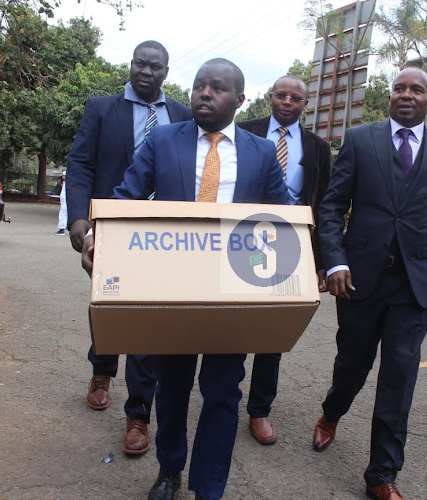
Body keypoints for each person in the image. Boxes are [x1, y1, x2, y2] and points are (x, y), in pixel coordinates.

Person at [82, 58, 289, 500]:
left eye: (217, 88)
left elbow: (284, 218)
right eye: (199, 86)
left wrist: (300, 263)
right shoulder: (162, 140)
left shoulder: (261, 152)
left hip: (235, 291)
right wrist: (98, 238)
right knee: (172, 388)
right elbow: (127, 197)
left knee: (222, 392)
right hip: (172, 286)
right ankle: (169, 471)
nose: (204, 94)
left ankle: (208, 488)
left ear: (239, 99)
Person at [313, 67, 427, 500]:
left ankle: (381, 474)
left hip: (413, 285)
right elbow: (332, 208)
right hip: (359, 281)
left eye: (416, 89)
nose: (406, 94)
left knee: (399, 377)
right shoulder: (361, 140)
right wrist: (335, 261)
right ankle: (331, 413)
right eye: (399, 87)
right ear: (390, 96)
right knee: (352, 366)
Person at [66, 40, 192, 456]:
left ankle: (138, 413)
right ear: (131, 64)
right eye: (140, 63)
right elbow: (81, 163)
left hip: (163, 236)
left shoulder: (183, 115)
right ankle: (102, 369)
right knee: (108, 303)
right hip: (111, 225)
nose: (146, 71)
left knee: (145, 318)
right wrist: (79, 218)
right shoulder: (102, 108)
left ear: (166, 72)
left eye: (155, 66)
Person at [237, 75, 331, 445]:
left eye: (296, 97)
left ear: (305, 105)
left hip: (292, 246)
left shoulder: (318, 148)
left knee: (273, 330)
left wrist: (320, 259)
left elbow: (323, 204)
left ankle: (260, 410)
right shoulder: (243, 131)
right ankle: (225, 394)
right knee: (232, 320)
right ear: (270, 97)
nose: (287, 101)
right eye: (281, 95)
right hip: (240, 238)